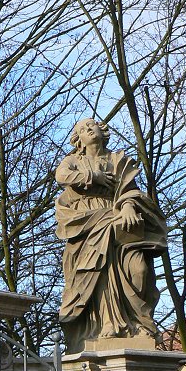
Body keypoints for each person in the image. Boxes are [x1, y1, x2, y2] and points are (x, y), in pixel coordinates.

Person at [55, 118, 167, 351]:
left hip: (119, 223)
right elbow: (61, 176)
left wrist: (127, 206)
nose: (89, 129)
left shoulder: (118, 160)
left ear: (102, 131)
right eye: (83, 129)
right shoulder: (74, 160)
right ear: (79, 141)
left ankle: (140, 324)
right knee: (98, 272)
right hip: (86, 226)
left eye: (92, 125)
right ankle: (108, 323)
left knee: (140, 270)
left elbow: (130, 190)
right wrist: (92, 177)